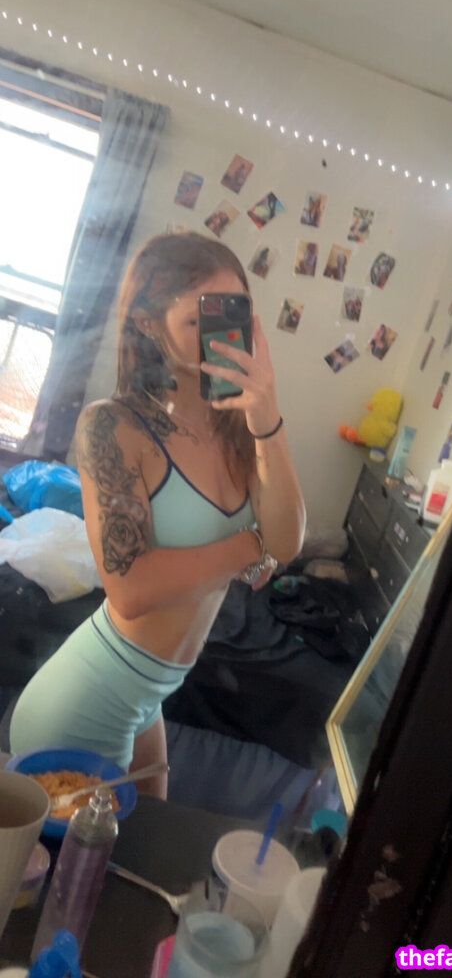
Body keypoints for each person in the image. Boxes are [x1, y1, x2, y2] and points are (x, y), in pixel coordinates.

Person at [10, 231, 306, 797]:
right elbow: (131, 589)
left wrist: (267, 417)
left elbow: (289, 541)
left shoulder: (240, 431)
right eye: (199, 320)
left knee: (153, 840)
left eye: (233, 313)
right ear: (148, 324)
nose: (221, 338)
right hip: (84, 703)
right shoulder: (114, 425)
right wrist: (251, 546)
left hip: (148, 700)